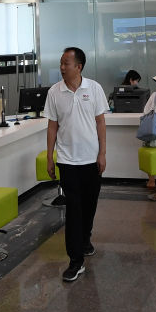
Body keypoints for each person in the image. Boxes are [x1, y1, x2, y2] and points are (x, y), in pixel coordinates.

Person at [44, 47, 109, 282]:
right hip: (67, 160)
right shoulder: (54, 92)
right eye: (61, 63)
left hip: (91, 159)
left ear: (78, 67)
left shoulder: (94, 88)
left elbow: (100, 122)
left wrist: (102, 153)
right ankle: (75, 260)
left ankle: (85, 239)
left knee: (89, 205)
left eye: (66, 63)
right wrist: (50, 156)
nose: (62, 67)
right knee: (73, 209)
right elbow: (52, 126)